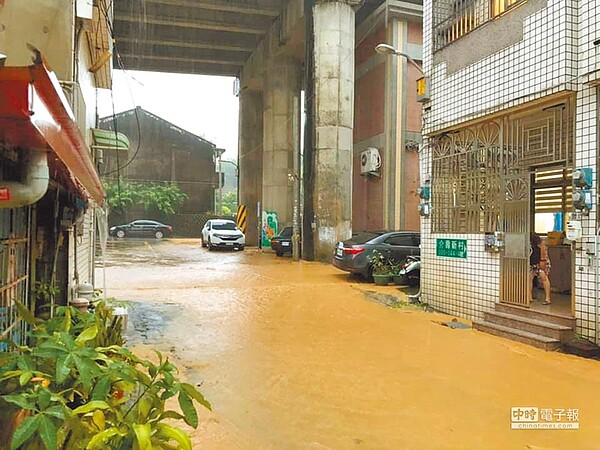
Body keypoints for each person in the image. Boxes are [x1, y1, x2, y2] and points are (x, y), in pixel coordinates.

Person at [530, 232, 552, 305]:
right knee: (530, 279)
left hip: (541, 262)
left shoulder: (540, 245)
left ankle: (547, 298)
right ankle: (529, 297)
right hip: (533, 262)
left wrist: (542, 262)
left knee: (544, 278)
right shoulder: (533, 244)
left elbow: (543, 255)